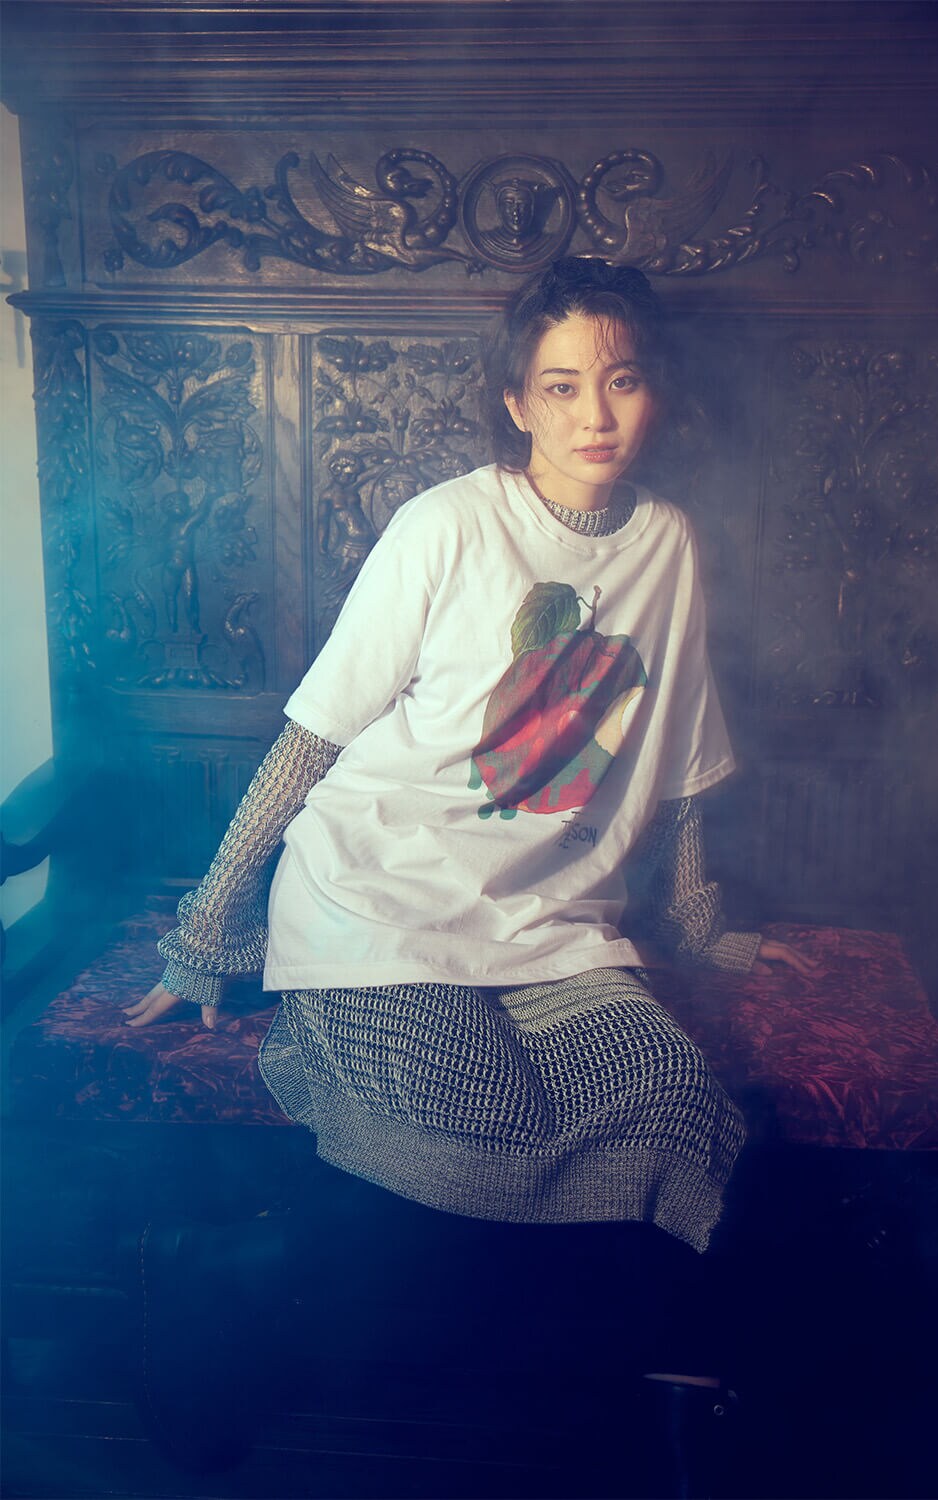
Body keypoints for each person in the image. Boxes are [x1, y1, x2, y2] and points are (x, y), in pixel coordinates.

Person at [125, 256, 815, 1257]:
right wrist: (207, 929)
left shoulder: (667, 542)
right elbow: (312, 739)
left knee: (672, 1096)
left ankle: (606, 1348)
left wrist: (701, 924)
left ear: (654, 391)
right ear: (518, 404)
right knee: (463, 1108)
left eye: (621, 381)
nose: (595, 417)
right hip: (380, 899)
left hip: (548, 919)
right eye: (561, 388)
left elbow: (676, 755)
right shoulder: (447, 523)